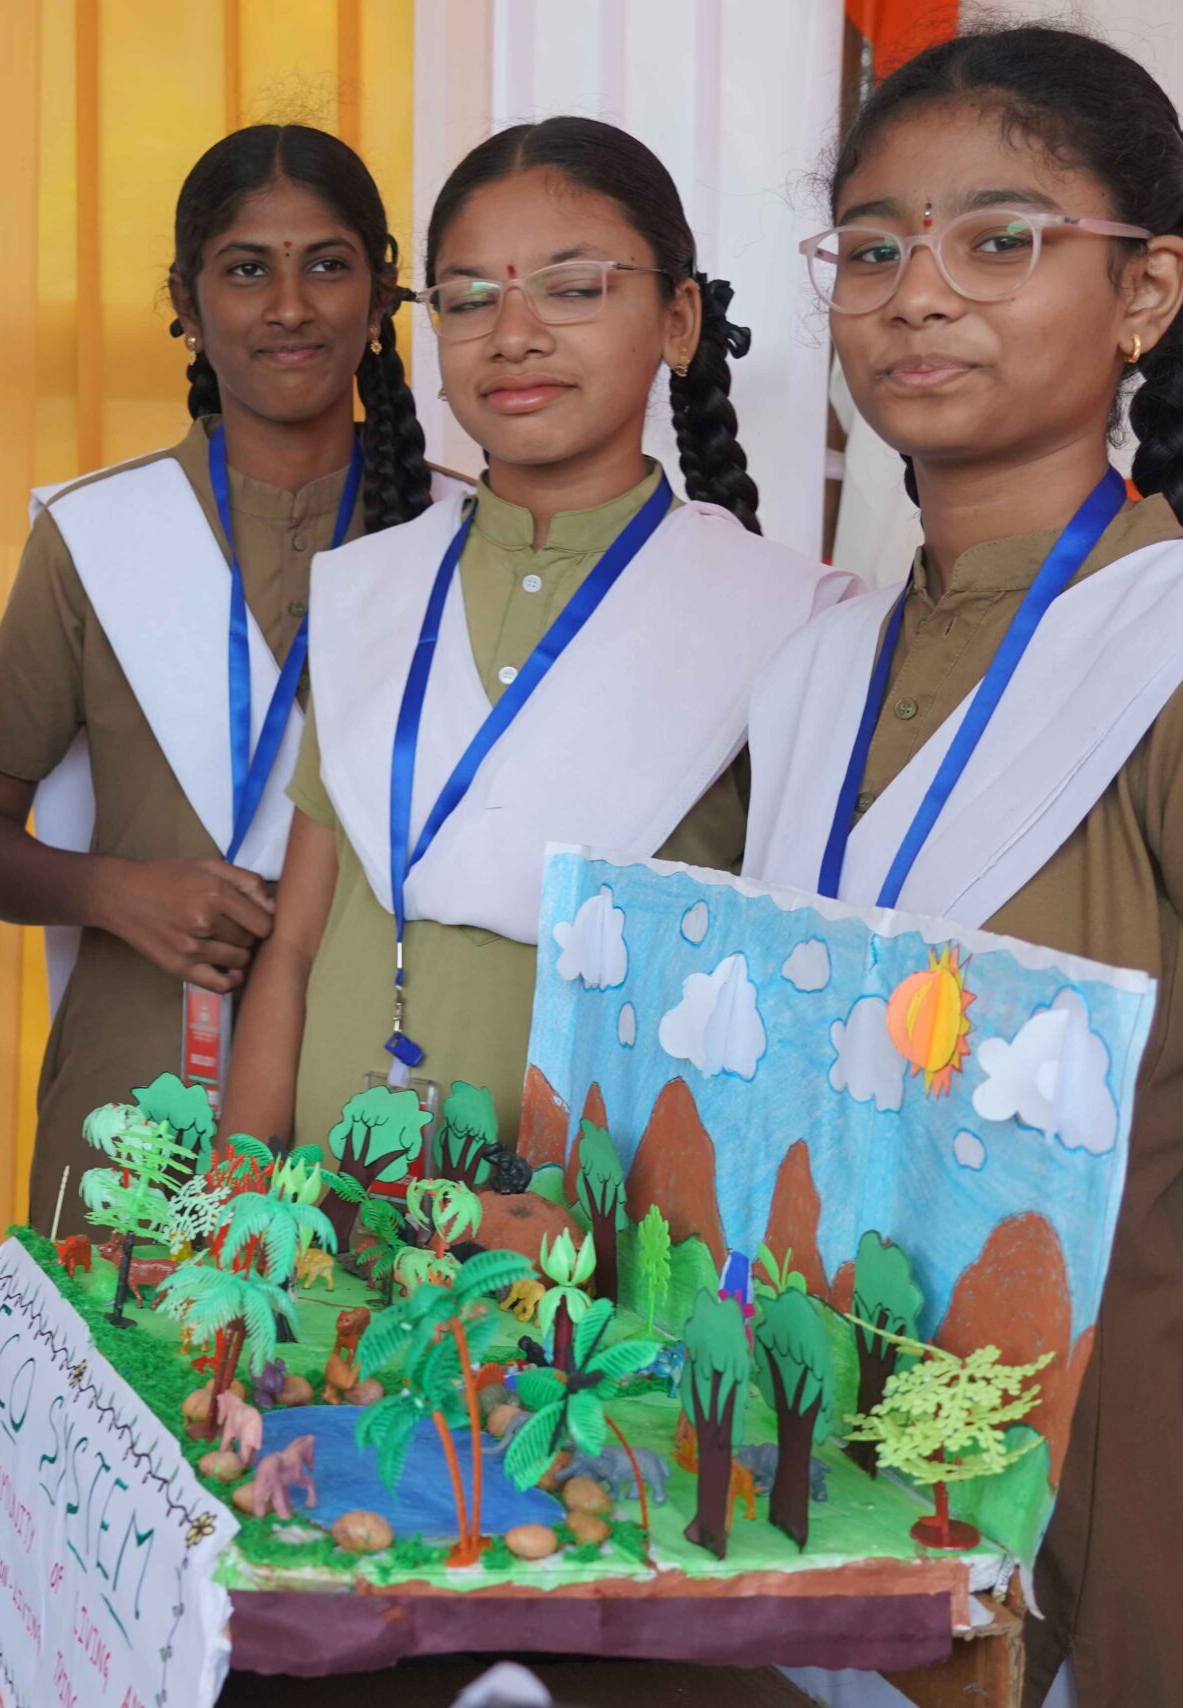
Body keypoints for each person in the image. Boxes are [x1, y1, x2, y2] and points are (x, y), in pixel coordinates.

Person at [742, 28, 1183, 1707]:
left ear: (1146, 291)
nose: (918, 294)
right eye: (873, 250)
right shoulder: (818, 669)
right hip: (782, 1471)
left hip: (1072, 1532)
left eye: (1001, 240)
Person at [219, 118, 852, 1149]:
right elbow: (292, 949)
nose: (512, 334)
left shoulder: (786, 622)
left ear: (678, 320)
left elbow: (781, 1017)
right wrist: (234, 1200)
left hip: (590, 1234)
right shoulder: (371, 590)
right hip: (316, 1214)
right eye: (470, 298)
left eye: (573, 288)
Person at [0, 124, 435, 1232]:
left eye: (328, 265)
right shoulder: (94, 534)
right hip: (132, 1096)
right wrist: (114, 892)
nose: (290, 306)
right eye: (246, 269)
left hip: (384, 1103)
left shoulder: (457, 535)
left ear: (380, 296)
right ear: (184, 300)